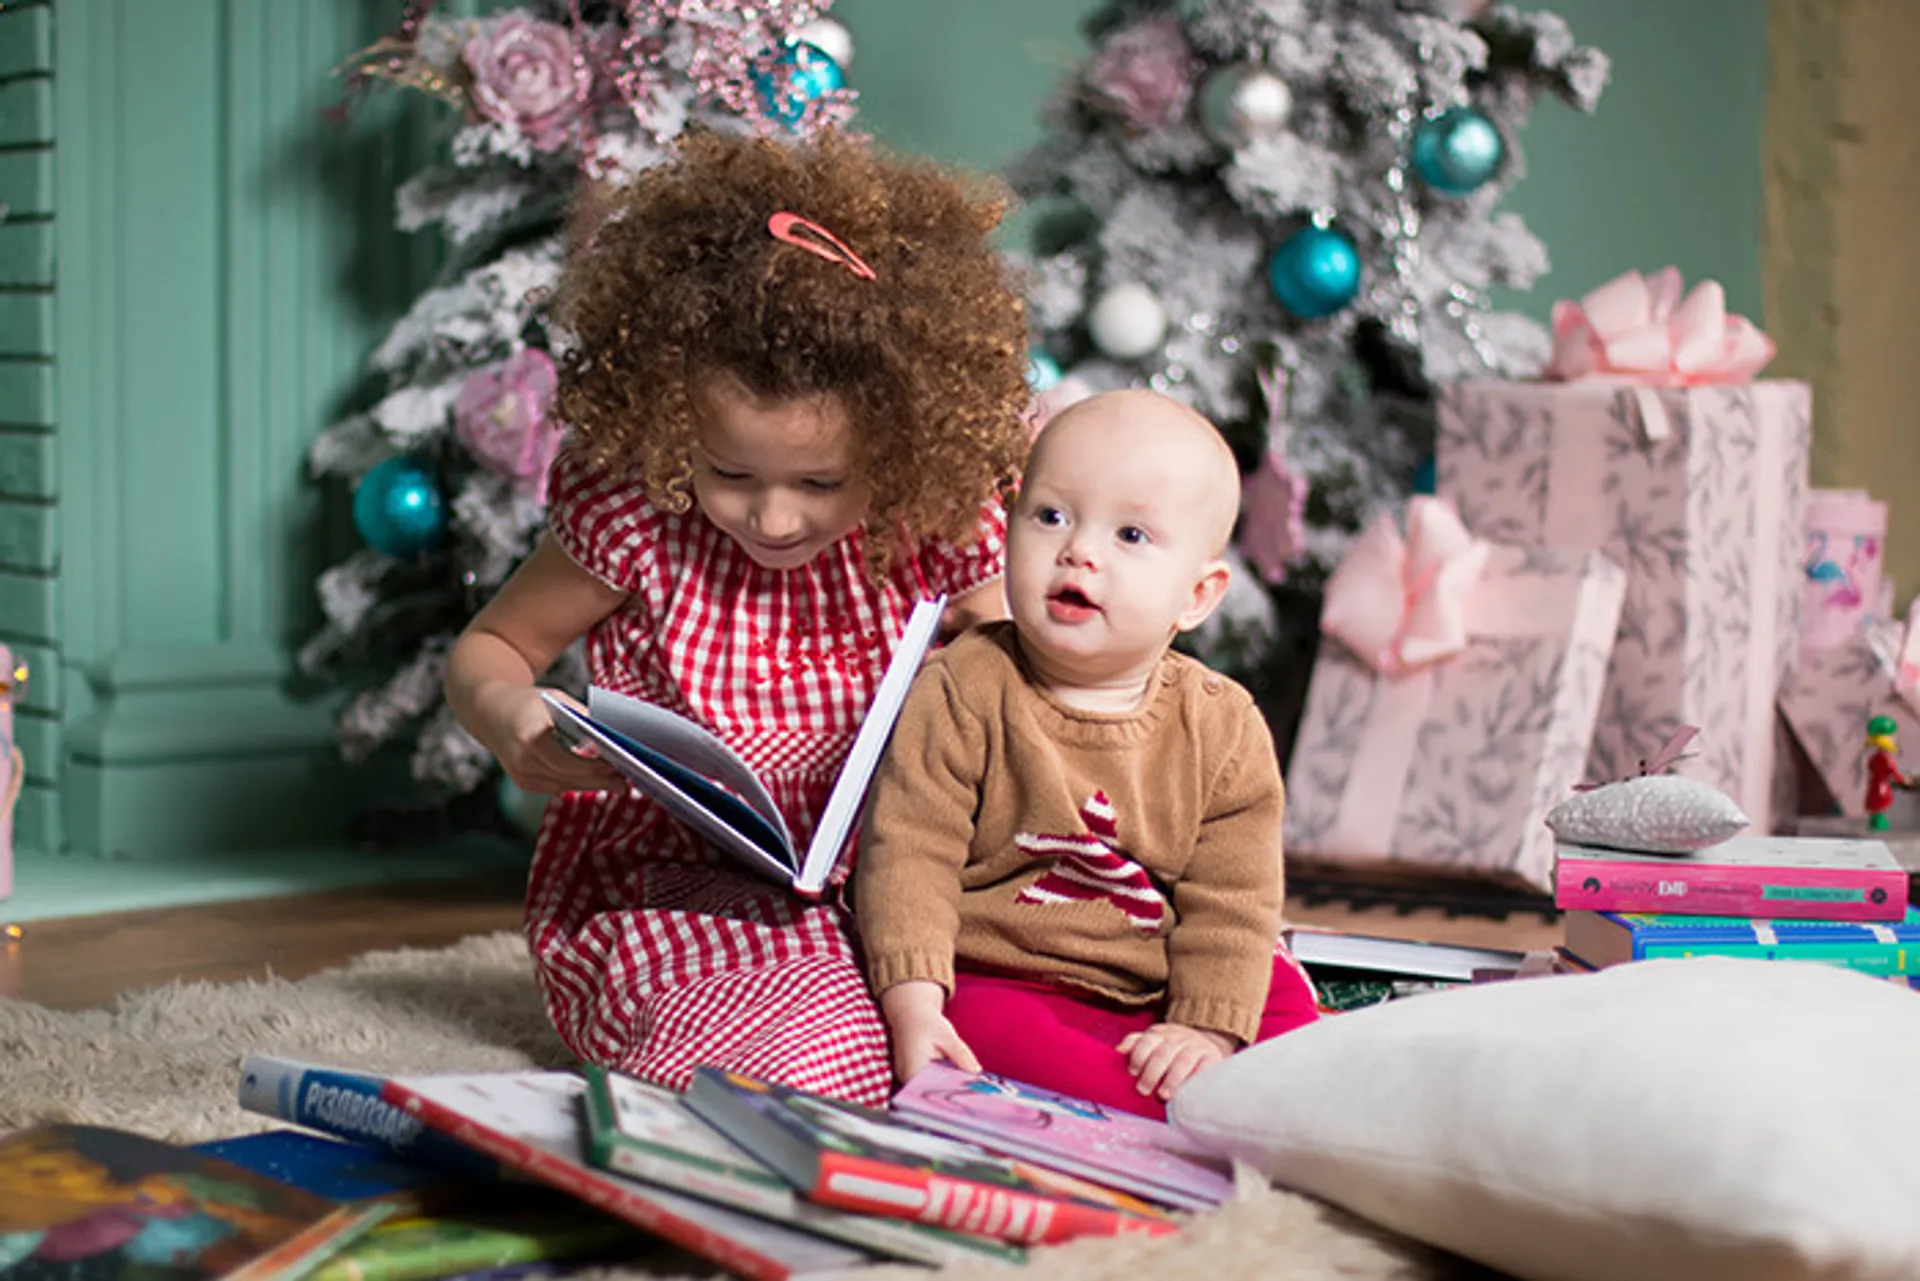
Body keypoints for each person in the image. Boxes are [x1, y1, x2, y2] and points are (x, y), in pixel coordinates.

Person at [442, 129, 1032, 1108]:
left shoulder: (934, 512)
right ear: (676, 426)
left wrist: (981, 675)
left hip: (898, 872)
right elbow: (491, 648)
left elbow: (1017, 668)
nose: (773, 517)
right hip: (675, 882)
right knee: (798, 1066)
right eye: (731, 475)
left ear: (897, 447)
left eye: (820, 481)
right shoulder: (637, 507)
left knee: (1027, 1018)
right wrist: (513, 720)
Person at [855, 390, 1319, 1121]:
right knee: (981, 1035)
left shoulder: (1223, 726)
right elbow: (908, 855)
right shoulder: (965, 684)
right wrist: (915, 1003)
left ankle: (1216, 1085)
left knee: (1274, 992)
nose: (1079, 549)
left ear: (1197, 595)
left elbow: (1233, 900)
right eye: (1050, 515)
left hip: (1156, 979)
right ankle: (1183, 1110)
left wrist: (1204, 1027)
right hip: (1011, 974)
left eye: (1131, 535)